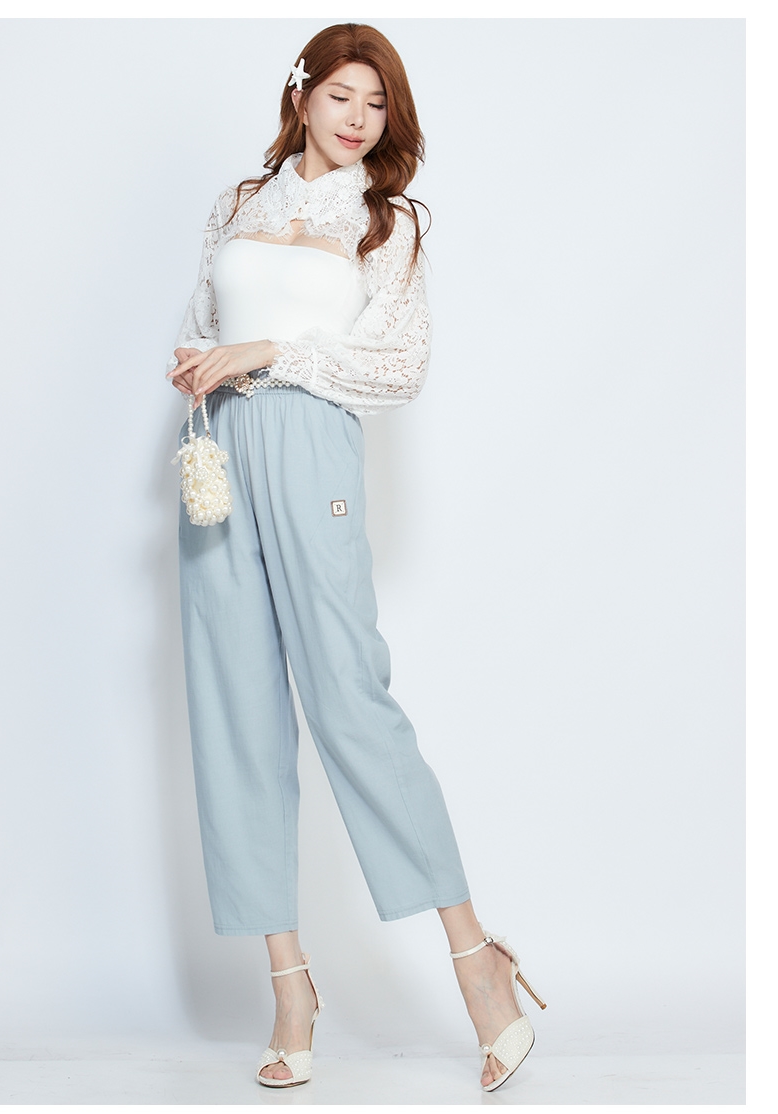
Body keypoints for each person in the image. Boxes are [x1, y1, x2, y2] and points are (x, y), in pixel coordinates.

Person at [166, 22, 545, 1092]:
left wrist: (271, 350)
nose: (359, 118)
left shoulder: (387, 222)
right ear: (302, 94)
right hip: (216, 452)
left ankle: (477, 961)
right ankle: (290, 984)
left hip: (311, 447)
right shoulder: (238, 203)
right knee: (235, 709)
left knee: (348, 700)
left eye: (377, 103)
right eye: (342, 94)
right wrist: (200, 360)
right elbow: (202, 320)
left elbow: (398, 365)